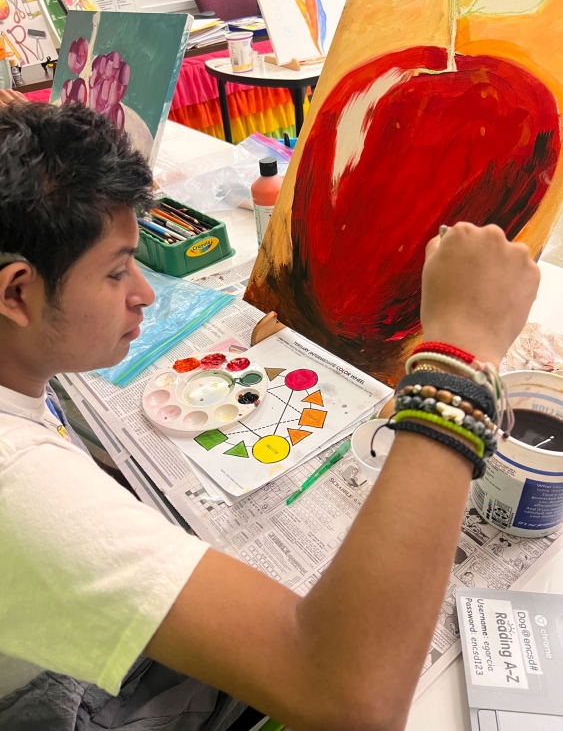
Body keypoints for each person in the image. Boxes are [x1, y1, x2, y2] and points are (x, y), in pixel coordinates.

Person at [0, 101, 540, 731]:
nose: (144, 293)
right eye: (118, 270)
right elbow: (350, 698)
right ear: (17, 292)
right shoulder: (20, 481)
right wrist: (460, 354)